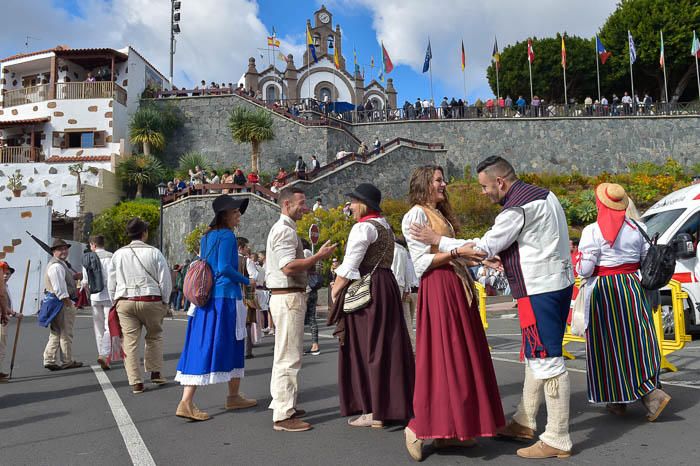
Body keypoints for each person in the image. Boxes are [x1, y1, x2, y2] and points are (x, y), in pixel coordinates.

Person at [435, 156, 573, 459]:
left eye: (485, 187)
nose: (484, 193)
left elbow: (484, 246)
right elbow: (539, 240)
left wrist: (441, 241)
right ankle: (524, 421)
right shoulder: (545, 195)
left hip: (538, 290)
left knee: (547, 358)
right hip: (558, 283)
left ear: (500, 182)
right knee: (537, 354)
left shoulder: (514, 210)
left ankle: (558, 436)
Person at [402, 166, 504, 461]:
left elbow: (453, 250)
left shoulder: (439, 216)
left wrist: (479, 258)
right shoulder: (415, 215)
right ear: (424, 183)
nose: (443, 184)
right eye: (437, 180)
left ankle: (452, 430)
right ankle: (418, 427)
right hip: (439, 288)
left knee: (459, 358)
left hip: (455, 287)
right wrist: (459, 254)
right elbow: (421, 263)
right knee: (443, 358)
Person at [576, 183, 670, 420]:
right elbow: (643, 261)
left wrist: (579, 264)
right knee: (635, 343)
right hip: (631, 287)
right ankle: (641, 392)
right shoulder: (638, 227)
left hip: (604, 292)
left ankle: (629, 397)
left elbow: (585, 269)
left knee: (607, 346)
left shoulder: (592, 231)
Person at [328, 183, 415, 429]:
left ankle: (373, 410)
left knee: (367, 346)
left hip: (368, 288)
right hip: (386, 284)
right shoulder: (385, 226)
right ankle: (390, 405)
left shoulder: (362, 228)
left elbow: (350, 265)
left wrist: (335, 290)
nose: (350, 206)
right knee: (388, 345)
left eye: (353, 202)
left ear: (363, 204)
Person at [174, 195, 257, 421]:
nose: (238, 215)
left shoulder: (207, 237)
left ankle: (231, 395)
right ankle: (189, 402)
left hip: (207, 297)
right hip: (225, 297)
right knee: (226, 342)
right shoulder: (228, 236)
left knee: (204, 343)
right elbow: (223, 268)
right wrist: (246, 279)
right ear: (225, 214)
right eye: (235, 211)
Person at [265, 187, 336, 432]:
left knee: (284, 354)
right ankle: (284, 415)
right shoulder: (284, 231)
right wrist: (319, 257)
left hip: (286, 297)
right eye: (301, 203)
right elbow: (288, 267)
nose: (305, 208)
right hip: (288, 298)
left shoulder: (284, 230)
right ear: (286, 204)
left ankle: (283, 404)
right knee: (289, 357)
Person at [108, 218, 172, 394]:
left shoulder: (118, 254)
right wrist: (165, 301)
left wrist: (115, 300)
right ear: (144, 233)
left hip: (125, 300)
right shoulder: (154, 252)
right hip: (151, 299)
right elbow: (164, 280)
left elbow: (111, 282)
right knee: (154, 336)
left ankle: (135, 382)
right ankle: (155, 371)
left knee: (129, 341)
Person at [42, 239, 83, 371]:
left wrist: (74, 277)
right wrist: (68, 304)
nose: (64, 251)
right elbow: (59, 289)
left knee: (56, 332)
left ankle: (49, 359)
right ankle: (66, 360)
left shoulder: (60, 264)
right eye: (60, 249)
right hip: (60, 303)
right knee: (66, 333)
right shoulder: (57, 267)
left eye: (65, 248)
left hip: (55, 302)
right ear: (54, 251)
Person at [81, 235, 115, 370]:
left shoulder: (88, 257)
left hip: (95, 296)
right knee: (109, 326)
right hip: (109, 295)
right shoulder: (111, 257)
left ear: (93, 245)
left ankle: (101, 351)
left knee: (98, 326)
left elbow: (85, 281)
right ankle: (105, 354)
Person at [391, 236, 417, 352]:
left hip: (395, 285)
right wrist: (407, 287)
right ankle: (410, 347)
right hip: (408, 288)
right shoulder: (404, 252)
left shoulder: (391, 249)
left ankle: (411, 348)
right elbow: (408, 271)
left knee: (402, 321)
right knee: (408, 321)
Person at [238, 237, 258, 359]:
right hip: (245, 295)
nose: (248, 249)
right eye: (246, 247)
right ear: (241, 248)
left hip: (230, 296)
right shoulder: (246, 261)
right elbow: (254, 278)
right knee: (247, 323)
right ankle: (247, 351)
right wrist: (251, 299)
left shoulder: (227, 259)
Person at [302, 239, 321, 356]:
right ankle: (315, 345)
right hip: (313, 289)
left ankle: (301, 346)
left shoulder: (304, 253)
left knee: (301, 320)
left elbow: (302, 269)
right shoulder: (310, 253)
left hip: (307, 289)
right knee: (311, 318)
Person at [0, 262, 18, 382]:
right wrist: (14, 313)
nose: (5, 276)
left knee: (2, 345)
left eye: (8, 273)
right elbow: (3, 303)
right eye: (3, 273)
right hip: (1, 318)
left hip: (4, 317)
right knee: (1, 345)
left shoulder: (5, 286)